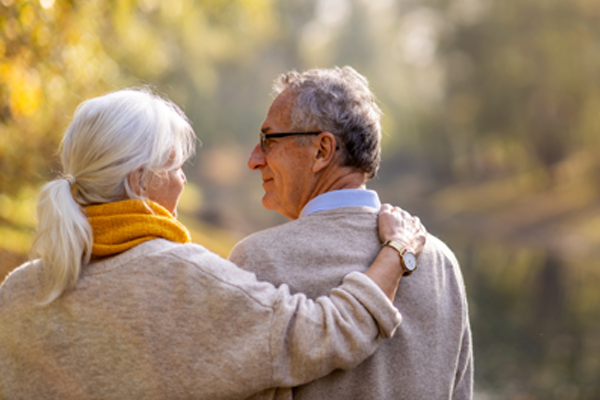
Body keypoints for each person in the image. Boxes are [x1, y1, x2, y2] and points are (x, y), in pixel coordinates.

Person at [0, 88, 428, 399]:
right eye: (177, 166)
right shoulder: (185, 279)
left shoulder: (16, 292)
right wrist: (397, 251)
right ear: (139, 180)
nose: (184, 180)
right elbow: (330, 332)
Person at [229, 66, 473, 399]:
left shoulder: (259, 260)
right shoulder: (441, 262)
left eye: (268, 140)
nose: (254, 159)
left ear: (321, 151)